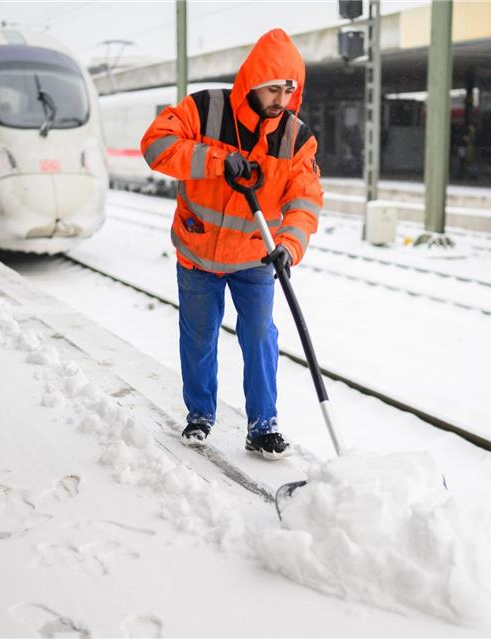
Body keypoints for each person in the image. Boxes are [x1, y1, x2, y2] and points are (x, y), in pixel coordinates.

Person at [140, 28, 323, 459]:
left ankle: (263, 424)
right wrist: (217, 160)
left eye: (288, 89)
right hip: (198, 252)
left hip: (257, 257)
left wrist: (289, 247)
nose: (281, 98)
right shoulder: (205, 110)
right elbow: (156, 145)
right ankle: (200, 414)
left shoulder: (296, 138)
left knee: (260, 335)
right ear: (252, 82)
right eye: (272, 88)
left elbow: (305, 201)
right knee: (199, 335)